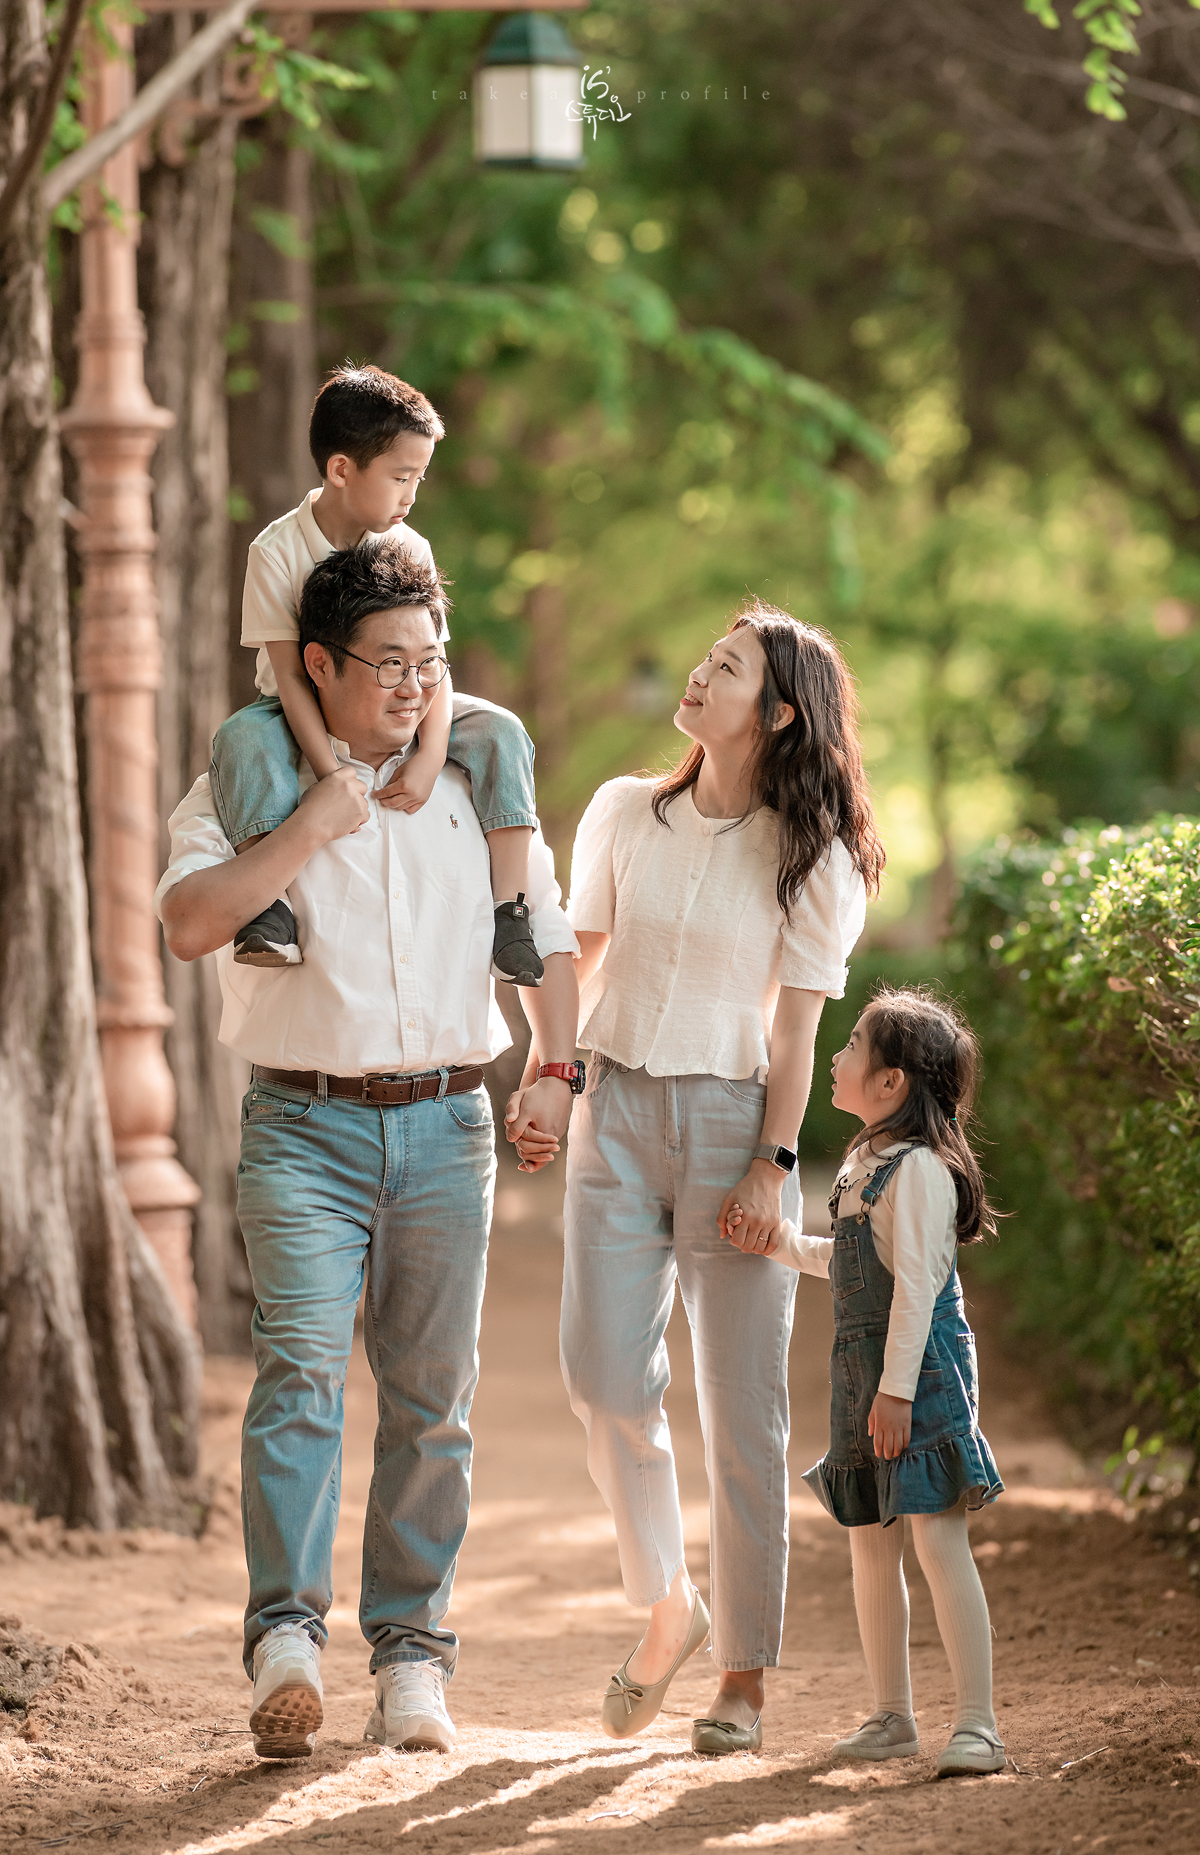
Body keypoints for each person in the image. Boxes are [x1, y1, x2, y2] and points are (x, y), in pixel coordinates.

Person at [155, 536, 580, 1761]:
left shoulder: (476, 783)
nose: (411, 686)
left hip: (451, 1124)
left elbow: (542, 926)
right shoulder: (247, 779)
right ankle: (285, 1638)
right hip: (302, 1125)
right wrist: (314, 825)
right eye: (387, 664)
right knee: (298, 1375)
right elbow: (189, 922)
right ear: (320, 665)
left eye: (430, 663)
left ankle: (412, 1660)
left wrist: (554, 1067)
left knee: (433, 1401)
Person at [508, 600, 884, 1756]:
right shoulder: (627, 812)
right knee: (604, 1380)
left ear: (775, 713)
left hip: (734, 1133)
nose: (696, 672)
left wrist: (774, 1167)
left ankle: (745, 1680)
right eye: (705, 656)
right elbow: (580, 961)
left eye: (726, 667)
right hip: (614, 1114)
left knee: (743, 1417)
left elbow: (794, 1038)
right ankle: (670, 1603)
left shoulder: (811, 859)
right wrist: (548, 1072)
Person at [726, 986, 1006, 1778]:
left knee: (936, 1535)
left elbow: (917, 1289)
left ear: (892, 1083)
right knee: (870, 1541)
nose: (836, 1055)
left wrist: (897, 1393)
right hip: (865, 1373)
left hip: (916, 1373)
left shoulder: (918, 1170)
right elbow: (849, 1264)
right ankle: (892, 1713)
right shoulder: (863, 1163)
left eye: (851, 1044)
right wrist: (778, 1241)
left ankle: (979, 1723)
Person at [212, 361, 544, 986]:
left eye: (418, 476)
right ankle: (269, 908)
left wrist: (430, 754)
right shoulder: (277, 551)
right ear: (341, 469)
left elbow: (433, 665)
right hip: (300, 705)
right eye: (400, 476)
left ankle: (511, 913)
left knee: (501, 731)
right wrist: (334, 776)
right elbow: (289, 675)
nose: (411, 495)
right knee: (242, 739)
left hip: (405, 693)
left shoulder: (408, 546)